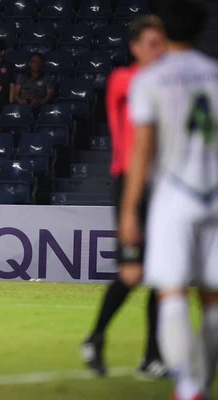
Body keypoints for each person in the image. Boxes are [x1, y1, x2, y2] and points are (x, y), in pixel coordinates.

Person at [121, 1, 218, 399]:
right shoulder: (215, 74)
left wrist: (129, 210)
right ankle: (203, 382)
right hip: (215, 190)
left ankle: (189, 386)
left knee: (173, 291)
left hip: (175, 193)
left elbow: (142, 150)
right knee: (212, 296)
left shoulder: (152, 78)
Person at [81, 15, 168, 379]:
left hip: (163, 185)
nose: (158, 50)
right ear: (134, 48)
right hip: (129, 182)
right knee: (133, 273)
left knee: (165, 277)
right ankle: (95, 337)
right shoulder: (123, 80)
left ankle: (152, 357)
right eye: (150, 43)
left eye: (161, 43)